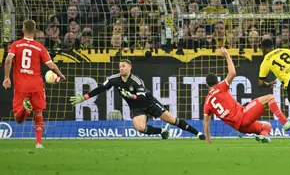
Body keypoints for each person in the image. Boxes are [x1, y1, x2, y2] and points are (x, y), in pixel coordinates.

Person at [70, 59, 205, 140]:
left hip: (148, 102)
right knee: (140, 128)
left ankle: (198, 134)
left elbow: (141, 96)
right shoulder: (114, 80)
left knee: (172, 120)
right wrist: (84, 97)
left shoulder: (136, 80)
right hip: (136, 108)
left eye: (123, 66)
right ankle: (162, 132)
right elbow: (100, 89)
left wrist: (131, 96)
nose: (121, 68)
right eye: (120, 66)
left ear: (129, 67)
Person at [203, 47, 290, 144]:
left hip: (240, 127)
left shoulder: (207, 102)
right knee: (270, 97)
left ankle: (262, 136)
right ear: (217, 81)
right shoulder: (221, 87)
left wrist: (208, 140)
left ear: (207, 85)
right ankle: (285, 122)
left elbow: (206, 124)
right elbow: (232, 73)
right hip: (243, 116)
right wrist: (227, 55)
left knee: (267, 126)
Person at [2, 19, 66, 149]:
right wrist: (60, 75)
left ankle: (25, 109)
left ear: (23, 30)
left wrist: (6, 78)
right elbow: (51, 65)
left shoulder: (16, 45)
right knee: (38, 113)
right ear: (35, 31)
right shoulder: (40, 47)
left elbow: (8, 59)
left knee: (19, 119)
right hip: (37, 85)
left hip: (21, 86)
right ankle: (38, 143)